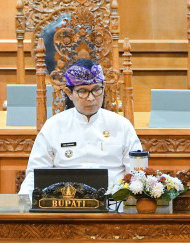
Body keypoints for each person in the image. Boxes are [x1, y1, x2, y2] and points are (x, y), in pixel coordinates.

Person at [18, 59, 141, 194]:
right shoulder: (53, 126)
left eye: (96, 90)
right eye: (82, 91)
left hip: (112, 205)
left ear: (103, 88)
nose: (91, 98)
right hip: (64, 205)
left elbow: (137, 174)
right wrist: (23, 204)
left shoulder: (122, 125)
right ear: (69, 93)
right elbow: (35, 174)